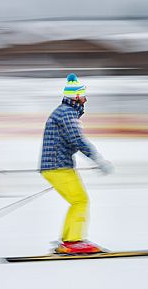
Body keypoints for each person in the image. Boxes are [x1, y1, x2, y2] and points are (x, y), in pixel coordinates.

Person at [40, 73, 112, 254]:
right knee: (80, 201)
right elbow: (77, 139)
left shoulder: (64, 112)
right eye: (84, 95)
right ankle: (73, 242)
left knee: (77, 201)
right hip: (58, 167)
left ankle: (68, 241)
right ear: (77, 97)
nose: (86, 99)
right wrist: (97, 159)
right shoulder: (67, 114)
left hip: (57, 165)